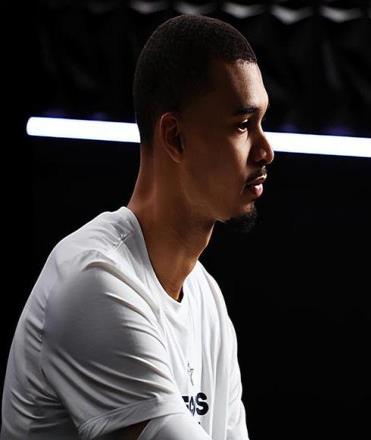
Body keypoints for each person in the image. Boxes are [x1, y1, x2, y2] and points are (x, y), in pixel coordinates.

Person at [1, 14, 273, 440]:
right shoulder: (95, 280)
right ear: (174, 137)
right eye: (242, 125)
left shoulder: (207, 299)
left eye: (261, 123)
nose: (266, 150)